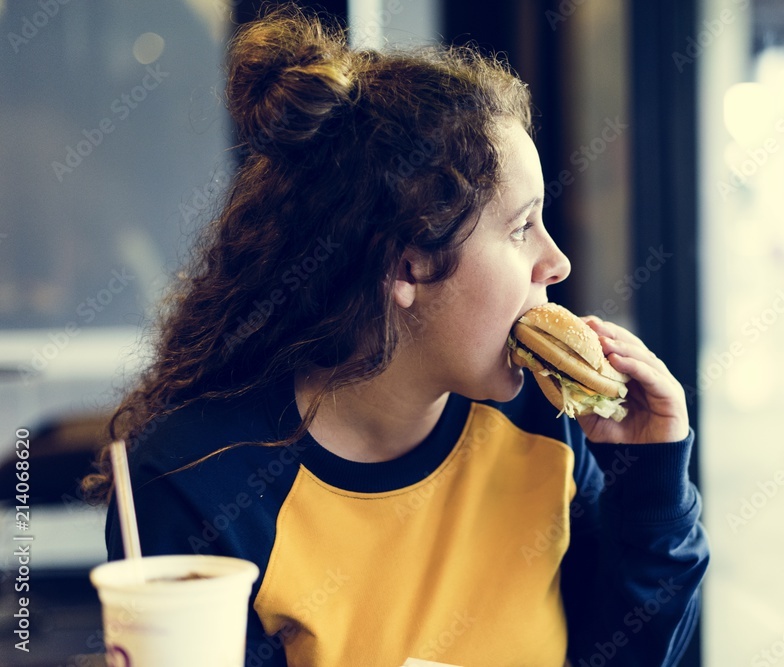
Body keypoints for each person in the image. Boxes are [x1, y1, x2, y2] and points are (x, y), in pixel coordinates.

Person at [85, 6, 709, 666]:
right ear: (407, 263)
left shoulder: (543, 425)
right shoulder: (198, 484)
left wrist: (654, 483)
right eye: (522, 227)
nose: (557, 263)